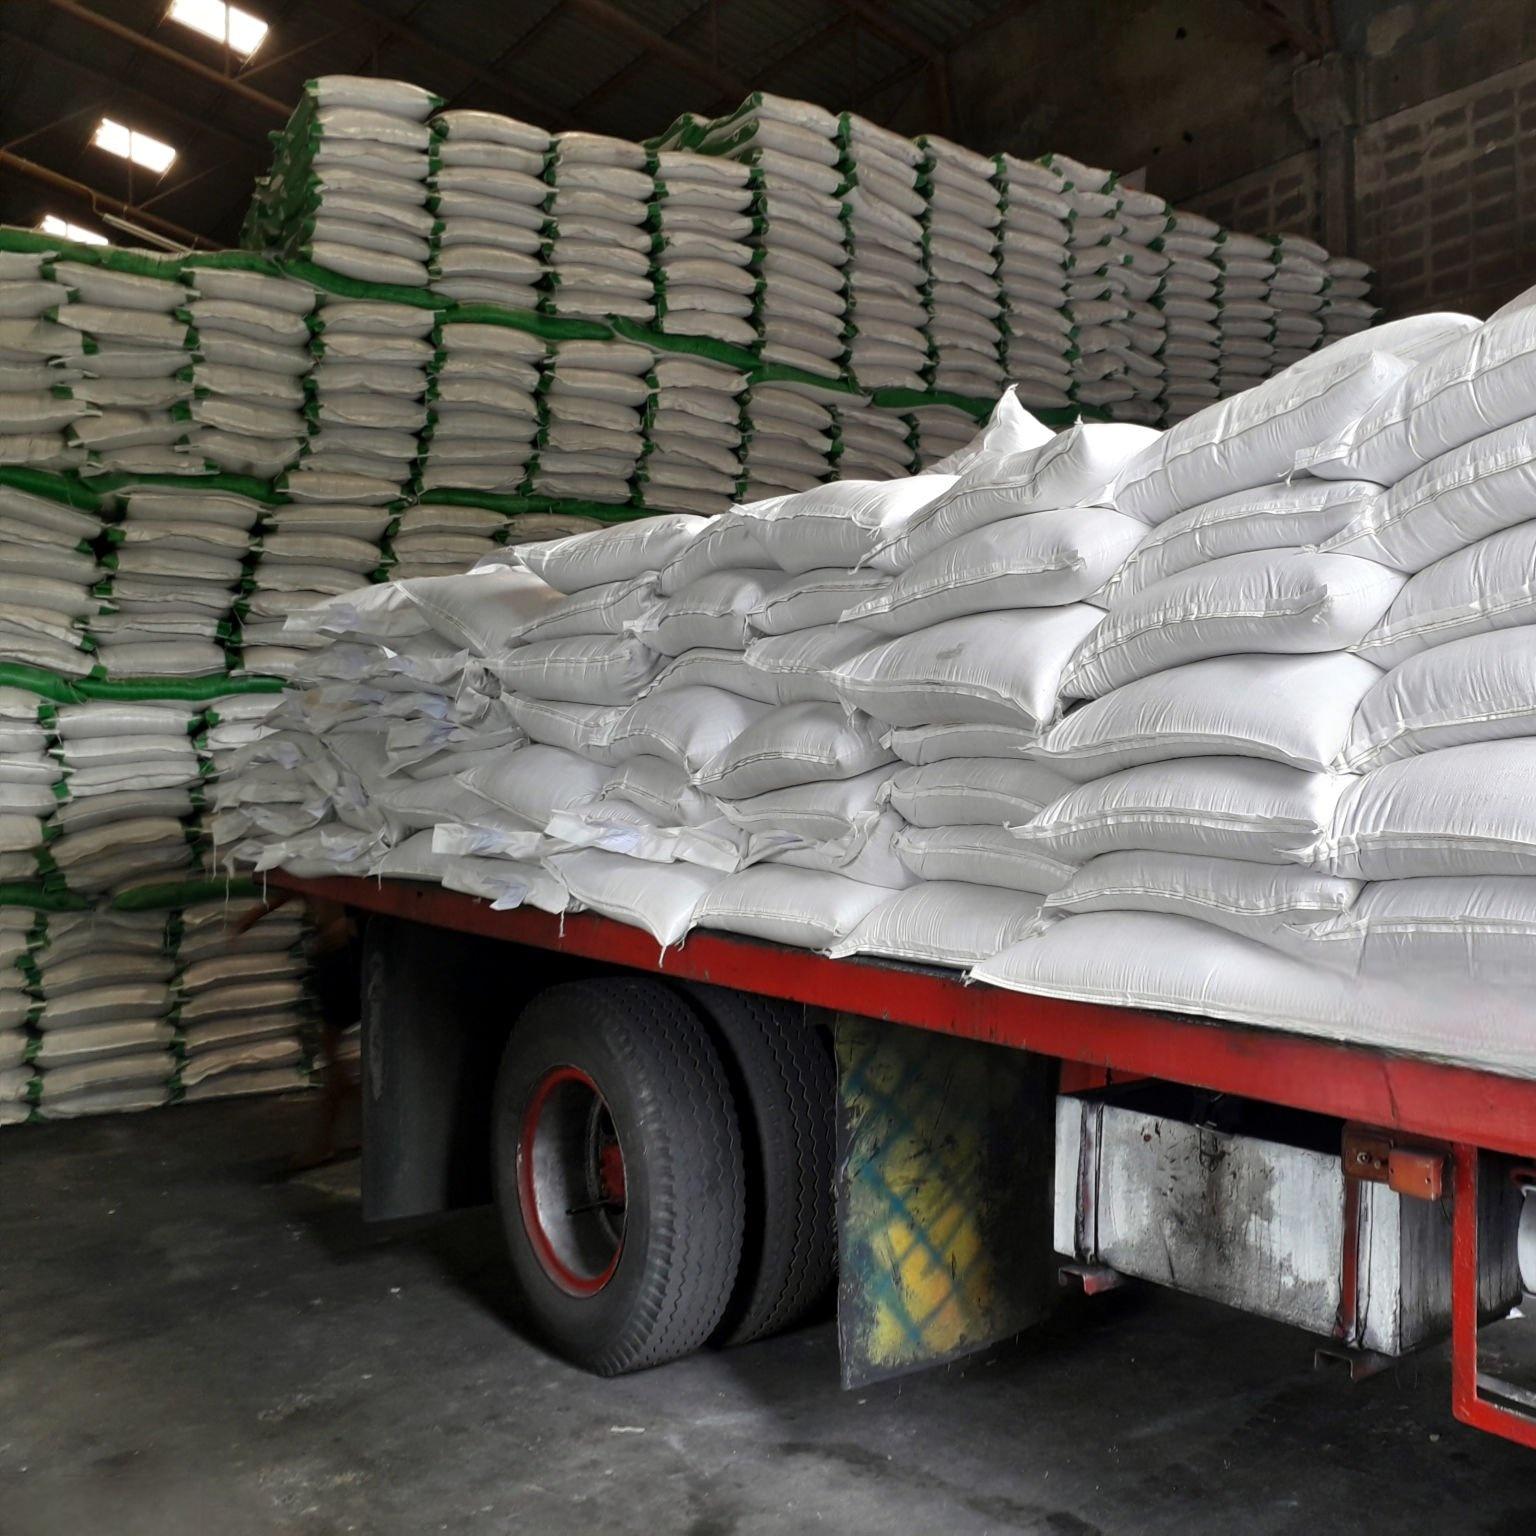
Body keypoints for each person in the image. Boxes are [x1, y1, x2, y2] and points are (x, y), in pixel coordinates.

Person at [234, 891, 362, 1168]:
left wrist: (253, 916)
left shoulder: (334, 870)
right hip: (334, 959)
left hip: (340, 961)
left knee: (331, 1056)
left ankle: (324, 1142)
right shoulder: (317, 867)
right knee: (332, 1056)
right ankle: (364, 1120)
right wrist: (254, 915)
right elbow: (288, 891)